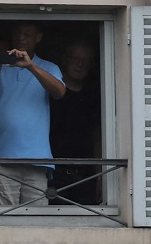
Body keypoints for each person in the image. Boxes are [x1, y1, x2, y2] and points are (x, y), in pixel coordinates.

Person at [0, 23, 67, 207]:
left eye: (27, 34)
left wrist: (31, 66)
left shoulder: (49, 67)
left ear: (38, 38)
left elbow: (60, 92)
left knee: (37, 222)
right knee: (2, 221)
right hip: (0, 157)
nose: (21, 38)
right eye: (18, 33)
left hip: (37, 159)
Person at [49, 39, 103, 207]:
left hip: (85, 176)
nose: (81, 64)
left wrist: (100, 178)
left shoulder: (95, 96)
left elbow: (98, 137)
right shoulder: (50, 93)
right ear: (65, 59)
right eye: (76, 59)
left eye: (86, 61)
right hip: (52, 175)